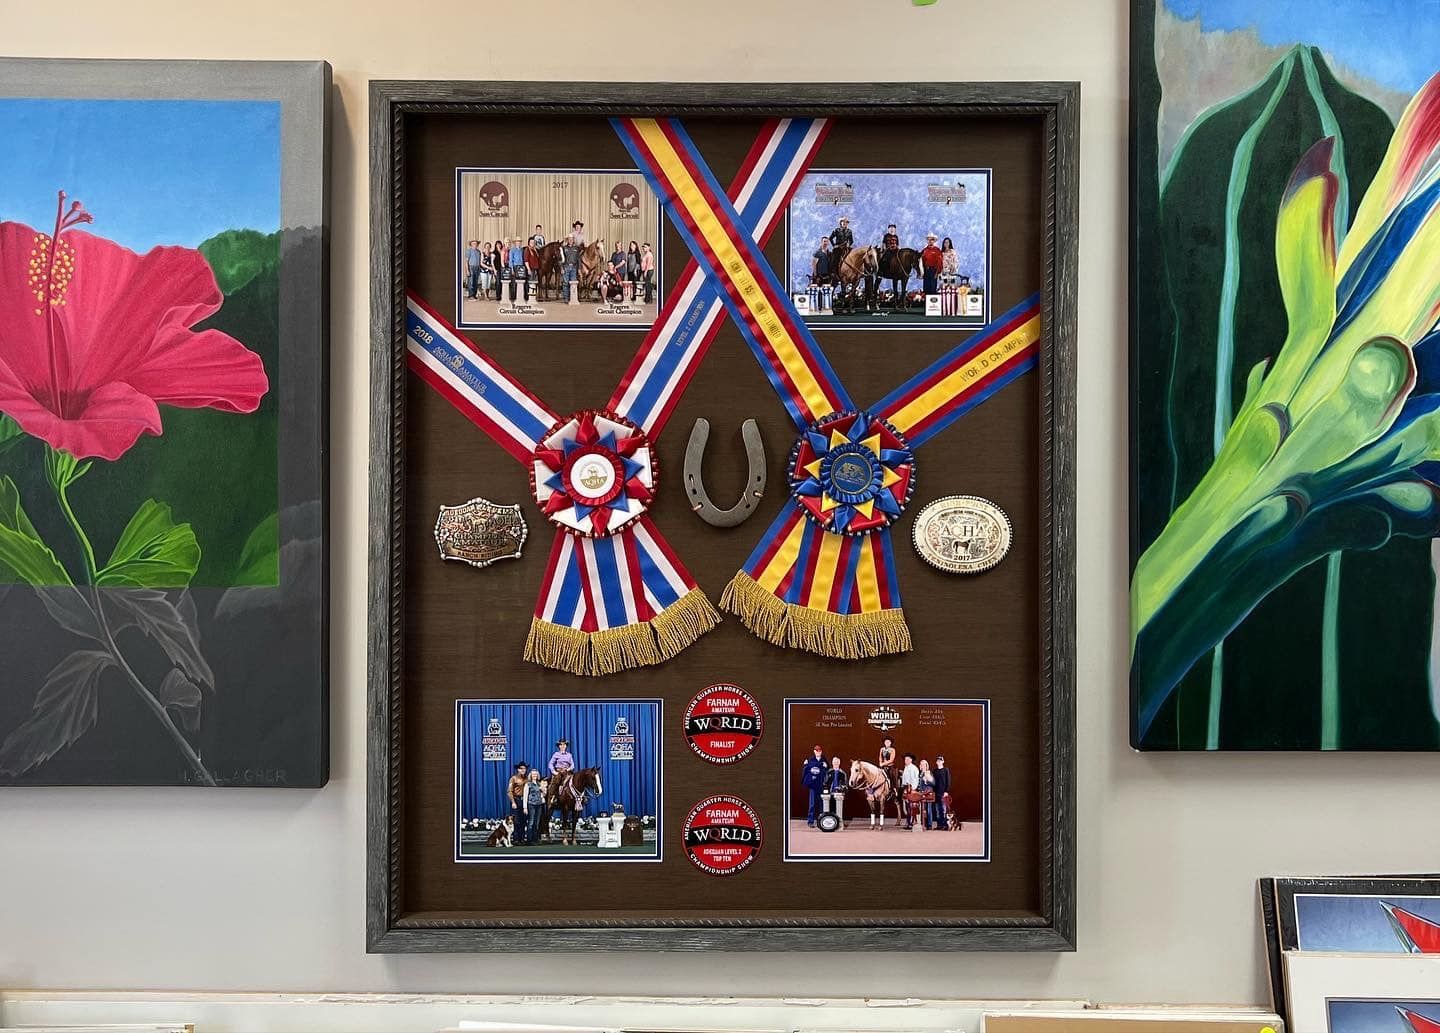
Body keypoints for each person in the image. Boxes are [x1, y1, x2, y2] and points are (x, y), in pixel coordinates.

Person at [801, 744, 827, 826]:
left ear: (821, 751)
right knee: (812, 804)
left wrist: (825, 766)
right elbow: (808, 768)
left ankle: (821, 821)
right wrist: (806, 765)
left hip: (821, 785)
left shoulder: (824, 760)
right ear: (814, 751)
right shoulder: (811, 759)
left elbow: (827, 771)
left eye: (819, 751)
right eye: (816, 751)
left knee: (821, 803)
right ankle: (810, 821)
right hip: (813, 785)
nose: (818, 752)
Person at [822, 755, 848, 827]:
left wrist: (841, 788)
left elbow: (846, 786)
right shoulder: (829, 772)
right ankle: (829, 824)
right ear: (832, 763)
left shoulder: (843, 773)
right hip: (829, 794)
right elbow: (825, 783)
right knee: (829, 809)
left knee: (839, 810)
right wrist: (826, 788)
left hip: (839, 795)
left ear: (839, 763)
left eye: (837, 762)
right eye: (834, 762)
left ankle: (839, 823)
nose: (835, 763)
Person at [507, 762, 530, 842]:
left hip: (525, 801)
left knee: (524, 820)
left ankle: (522, 838)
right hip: (517, 800)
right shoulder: (513, 778)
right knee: (516, 821)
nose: (523, 770)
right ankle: (516, 839)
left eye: (524, 768)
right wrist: (513, 802)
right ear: (518, 769)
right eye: (521, 768)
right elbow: (509, 791)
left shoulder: (528, 779)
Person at [523, 769, 545, 845]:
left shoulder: (539, 784)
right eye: (533, 774)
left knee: (537, 823)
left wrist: (543, 790)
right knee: (531, 822)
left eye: (536, 774)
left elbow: (543, 795)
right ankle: (529, 840)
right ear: (531, 775)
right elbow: (525, 796)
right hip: (531, 804)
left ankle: (535, 839)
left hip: (539, 805)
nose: (534, 776)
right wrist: (525, 807)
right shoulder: (528, 784)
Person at [899, 753, 920, 828]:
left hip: (911, 788)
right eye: (905, 759)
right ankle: (908, 823)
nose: (906, 760)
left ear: (911, 760)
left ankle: (912, 822)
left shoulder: (913, 768)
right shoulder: (906, 768)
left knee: (911, 806)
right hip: (906, 788)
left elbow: (915, 779)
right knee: (907, 806)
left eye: (908, 759)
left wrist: (913, 789)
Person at [932, 754, 952, 830]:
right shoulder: (935, 771)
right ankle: (939, 825)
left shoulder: (946, 770)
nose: (939, 762)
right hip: (936, 793)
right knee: (937, 810)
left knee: (944, 809)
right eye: (938, 761)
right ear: (936, 762)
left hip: (943, 792)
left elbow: (948, 781)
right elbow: (933, 782)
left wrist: (946, 791)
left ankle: (945, 825)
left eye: (940, 760)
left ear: (943, 761)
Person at [918, 758, 937, 829]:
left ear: (926, 766)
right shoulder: (920, 774)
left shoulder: (928, 773)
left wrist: (926, 781)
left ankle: (929, 825)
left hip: (928, 793)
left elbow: (933, 783)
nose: (922, 766)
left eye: (924, 765)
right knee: (923, 810)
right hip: (921, 793)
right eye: (921, 765)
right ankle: (924, 823)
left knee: (929, 809)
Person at [562, 234, 580, 301]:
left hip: (574, 268)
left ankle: (573, 298)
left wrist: (579, 269)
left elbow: (578, 259)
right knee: (565, 283)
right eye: (569, 239)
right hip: (566, 267)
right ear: (567, 240)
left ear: (573, 240)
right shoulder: (564, 248)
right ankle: (566, 298)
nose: (570, 240)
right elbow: (561, 259)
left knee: (573, 283)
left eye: (571, 239)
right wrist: (562, 268)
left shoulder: (576, 248)